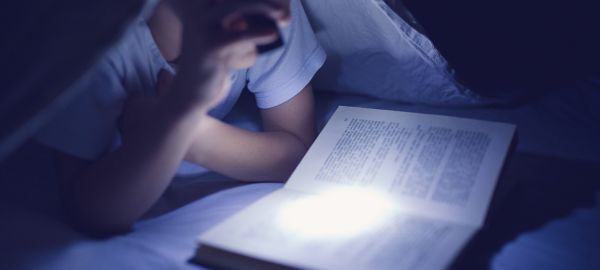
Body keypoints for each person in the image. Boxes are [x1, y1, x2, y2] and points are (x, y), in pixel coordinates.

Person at [34, 0, 326, 236]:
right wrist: (183, 105)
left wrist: (192, 133)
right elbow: (90, 212)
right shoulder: (97, 37)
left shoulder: (265, 10)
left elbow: (298, 154)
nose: (282, 14)